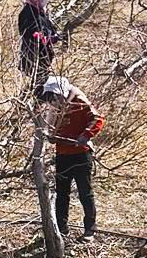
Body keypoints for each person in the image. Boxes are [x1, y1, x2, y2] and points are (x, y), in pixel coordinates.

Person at [39, 76, 103, 240]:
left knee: (85, 193)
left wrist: (85, 135)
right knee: (62, 193)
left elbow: (97, 119)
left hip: (81, 154)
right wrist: (51, 136)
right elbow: (50, 128)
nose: (52, 100)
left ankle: (90, 229)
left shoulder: (79, 101)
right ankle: (61, 228)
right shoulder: (54, 107)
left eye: (54, 96)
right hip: (63, 154)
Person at [18, 0, 59, 83]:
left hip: (43, 54)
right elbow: (29, 32)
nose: (46, 2)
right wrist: (44, 38)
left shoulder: (40, 12)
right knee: (37, 82)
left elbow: (49, 28)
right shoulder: (27, 13)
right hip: (32, 54)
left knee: (42, 81)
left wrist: (55, 36)